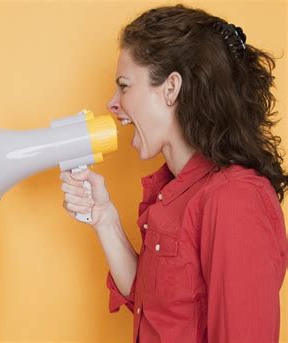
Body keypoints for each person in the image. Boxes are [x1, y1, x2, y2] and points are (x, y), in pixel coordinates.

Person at [60, 5, 287, 343]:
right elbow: (154, 307)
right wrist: (104, 218)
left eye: (124, 86)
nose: (112, 104)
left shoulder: (234, 199)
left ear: (171, 89)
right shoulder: (174, 189)